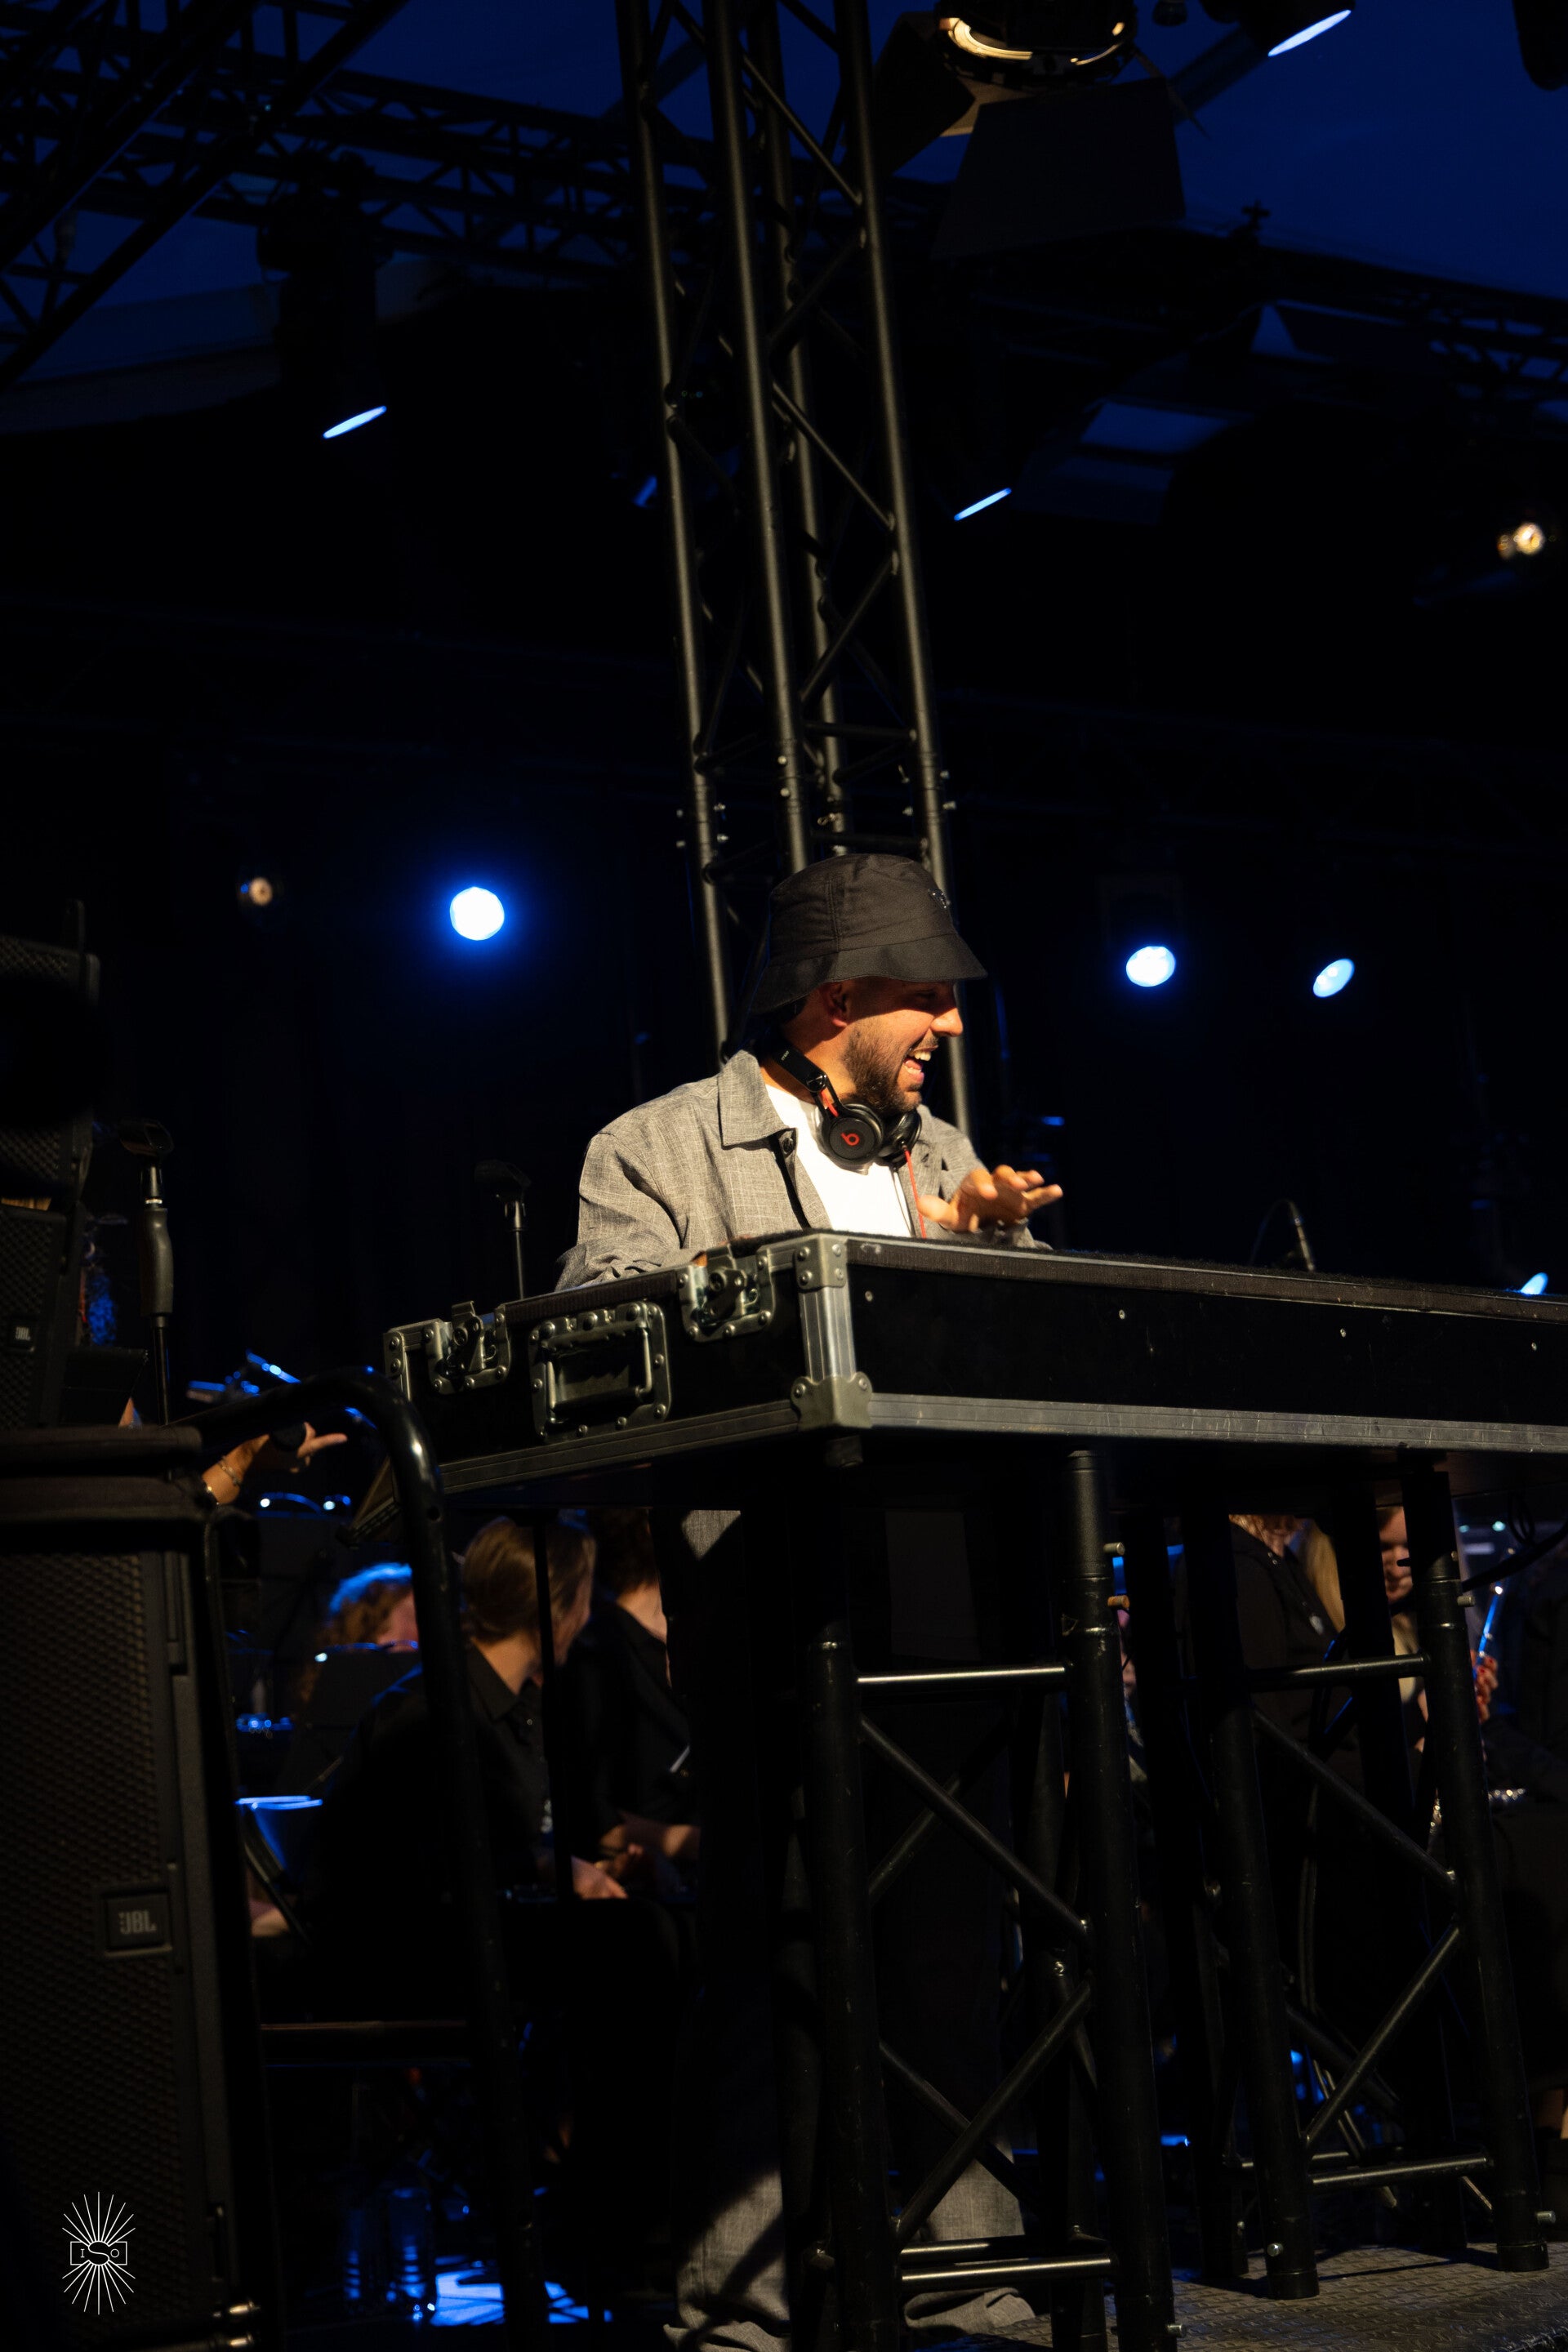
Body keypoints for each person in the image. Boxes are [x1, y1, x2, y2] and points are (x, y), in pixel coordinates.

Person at [558, 856, 1063, 2350]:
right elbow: (600, 1333)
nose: (950, 1031)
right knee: (767, 1949)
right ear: (837, 1001)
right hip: (763, 1588)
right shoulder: (655, 1145)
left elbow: (1024, 1359)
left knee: (949, 1946)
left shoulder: (942, 1146)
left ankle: (966, 2279)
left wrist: (992, 1254)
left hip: (943, 1583)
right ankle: (741, 2310)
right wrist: (795, 1279)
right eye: (928, 1002)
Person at [307, 1515, 687, 2283]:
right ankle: (617, 2221)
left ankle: (616, 2203)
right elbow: (431, 1871)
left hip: (465, 1934)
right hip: (411, 1957)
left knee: (654, 1930)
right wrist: (554, 1869)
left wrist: (584, 1865)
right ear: (558, 1608)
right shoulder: (435, 1711)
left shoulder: (510, 1707)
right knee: (640, 1944)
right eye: (583, 1599)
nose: (589, 1617)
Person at [562, 1508, 699, 1887]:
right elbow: (597, 1820)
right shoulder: (598, 1652)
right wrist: (695, 1841)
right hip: (661, 1885)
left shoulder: (696, 1630)